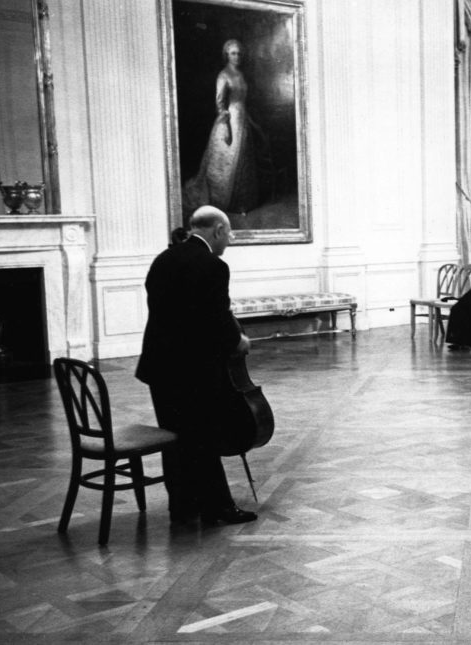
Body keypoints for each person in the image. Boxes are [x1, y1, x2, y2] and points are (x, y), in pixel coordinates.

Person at [136, 206, 257, 525]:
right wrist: (238, 341)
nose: (228, 240)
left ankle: (184, 504)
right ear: (217, 230)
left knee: (176, 436)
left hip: (160, 366)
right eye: (228, 234)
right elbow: (215, 316)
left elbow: (167, 311)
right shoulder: (213, 266)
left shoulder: (164, 258)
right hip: (193, 368)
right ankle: (218, 507)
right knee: (204, 437)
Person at [183, 40, 259, 217]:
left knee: (244, 161)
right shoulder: (223, 75)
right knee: (227, 160)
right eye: (233, 53)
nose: (237, 57)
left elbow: (244, 101)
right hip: (230, 119)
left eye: (239, 53)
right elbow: (220, 102)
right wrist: (225, 125)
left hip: (243, 120)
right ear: (226, 55)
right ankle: (223, 201)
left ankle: (242, 202)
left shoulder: (241, 75)